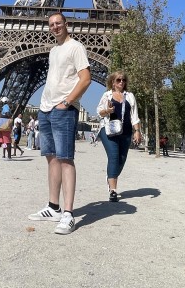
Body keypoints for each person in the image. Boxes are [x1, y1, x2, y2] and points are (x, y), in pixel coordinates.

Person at [28, 12, 91, 235]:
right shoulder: (54, 51)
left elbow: (85, 78)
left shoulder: (76, 47)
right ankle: (53, 207)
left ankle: (68, 213)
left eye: (58, 23)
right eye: (51, 25)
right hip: (46, 109)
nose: (55, 27)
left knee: (66, 159)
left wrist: (68, 101)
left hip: (63, 109)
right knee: (52, 158)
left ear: (67, 24)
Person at [97, 71, 141, 201]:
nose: (121, 82)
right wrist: (108, 111)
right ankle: (113, 190)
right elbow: (99, 112)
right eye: (118, 80)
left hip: (126, 132)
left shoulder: (130, 96)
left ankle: (111, 176)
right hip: (108, 130)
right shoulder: (107, 95)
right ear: (112, 82)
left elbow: (134, 116)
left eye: (123, 80)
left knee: (121, 159)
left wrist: (137, 131)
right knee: (114, 156)